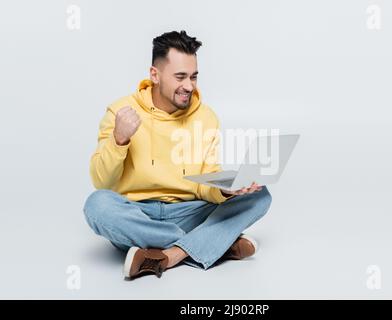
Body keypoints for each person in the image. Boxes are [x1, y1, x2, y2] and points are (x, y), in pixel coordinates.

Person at [83, 30, 272, 280]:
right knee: (97, 205)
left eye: (194, 77)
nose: (189, 86)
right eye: (180, 76)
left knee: (260, 195)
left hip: (189, 212)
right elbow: (102, 182)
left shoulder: (205, 117)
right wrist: (119, 140)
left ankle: (168, 255)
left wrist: (225, 189)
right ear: (155, 75)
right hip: (138, 216)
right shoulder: (121, 111)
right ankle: (213, 244)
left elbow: (205, 182)